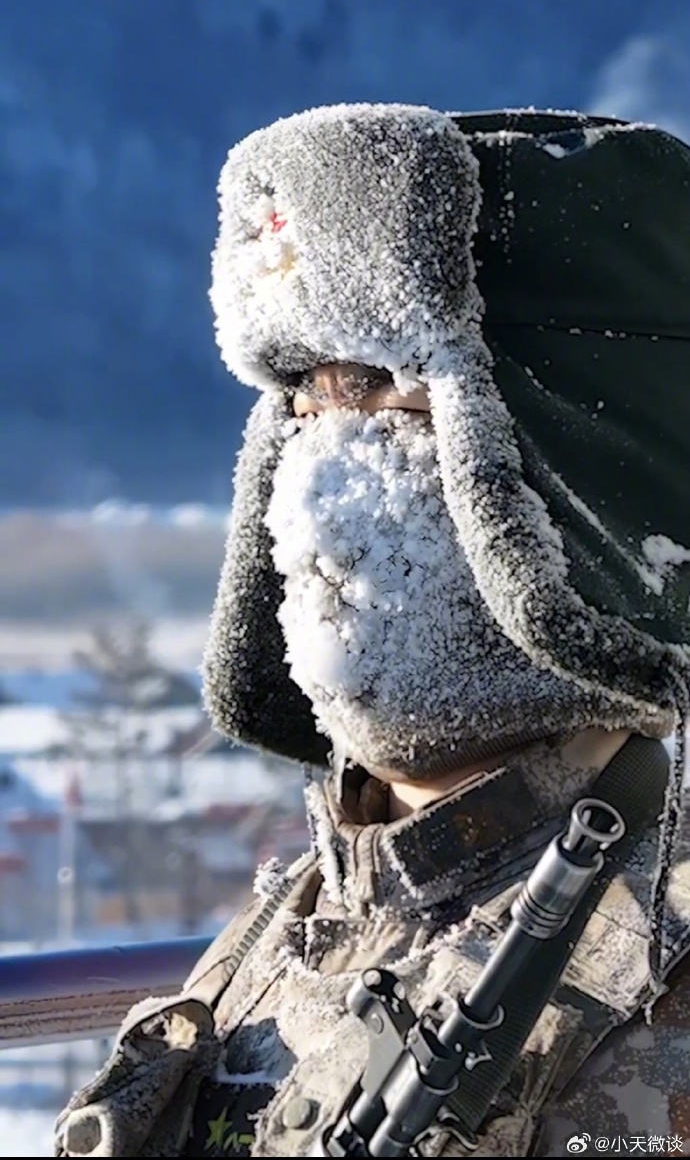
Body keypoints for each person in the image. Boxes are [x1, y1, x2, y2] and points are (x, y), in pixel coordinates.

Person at [54, 104, 690, 1159]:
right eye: (300, 398)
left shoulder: (654, 975)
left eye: (376, 390)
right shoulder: (286, 926)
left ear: (549, 466)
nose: (311, 475)